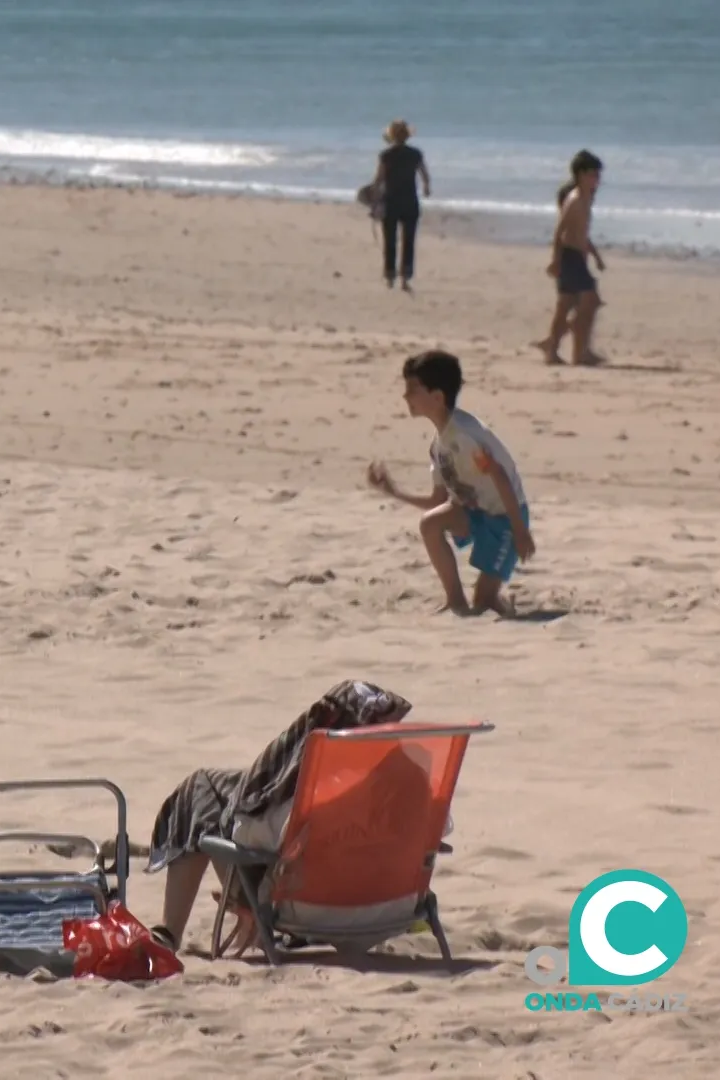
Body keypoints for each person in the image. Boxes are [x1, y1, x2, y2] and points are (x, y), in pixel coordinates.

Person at [147, 681, 415, 955]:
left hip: (317, 909)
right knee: (217, 796)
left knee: (211, 804)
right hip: (389, 907)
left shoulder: (316, 801)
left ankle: (174, 931)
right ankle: (239, 919)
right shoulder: (412, 793)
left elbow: (249, 834)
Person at [367, 350, 534, 616]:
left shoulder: (463, 435)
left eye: (412, 389)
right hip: (475, 512)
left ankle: (498, 602)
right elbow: (437, 501)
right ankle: (455, 601)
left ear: (437, 397)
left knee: (485, 602)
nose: (405, 396)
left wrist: (520, 530)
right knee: (430, 523)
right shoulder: (439, 444)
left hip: (506, 518)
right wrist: (393, 491)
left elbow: (499, 476)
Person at [537, 151, 607, 366]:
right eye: (593, 174)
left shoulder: (586, 200)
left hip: (577, 257)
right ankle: (580, 351)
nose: (597, 179)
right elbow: (561, 231)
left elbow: (582, 234)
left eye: (598, 175)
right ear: (581, 174)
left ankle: (554, 347)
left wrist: (596, 256)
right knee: (590, 301)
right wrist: (556, 260)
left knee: (568, 304)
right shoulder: (575, 199)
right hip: (570, 257)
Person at [372, 120, 430, 290]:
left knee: (390, 240)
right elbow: (425, 175)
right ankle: (405, 277)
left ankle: (390, 276)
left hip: (390, 201)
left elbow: (379, 179)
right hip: (410, 201)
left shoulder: (385, 155)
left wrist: (374, 198)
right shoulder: (415, 154)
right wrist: (427, 188)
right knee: (408, 240)